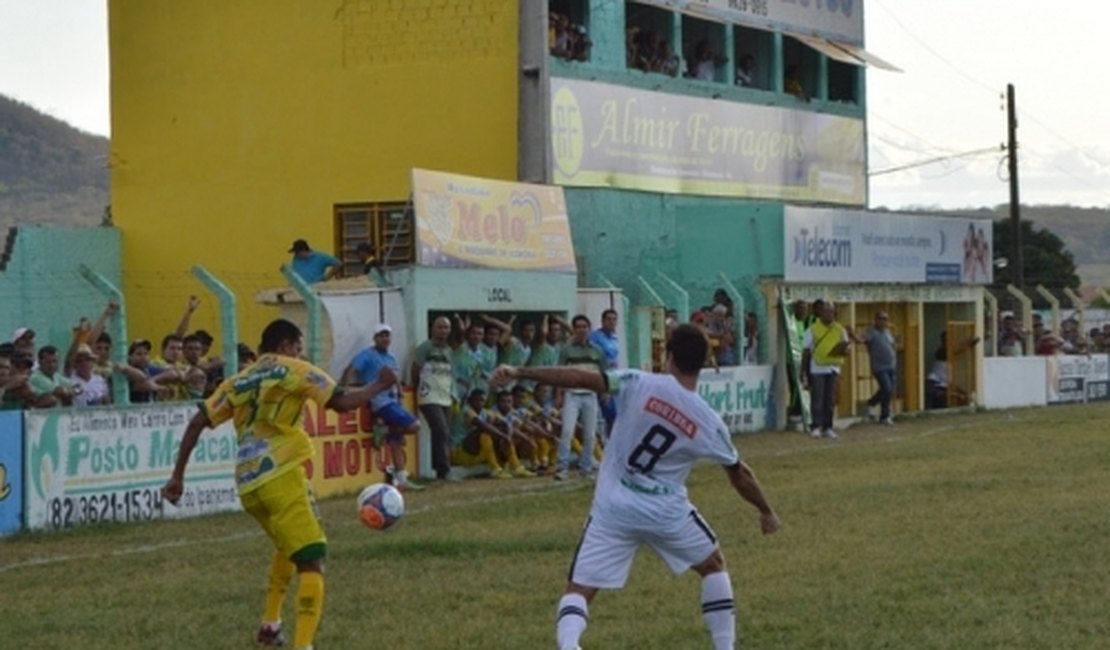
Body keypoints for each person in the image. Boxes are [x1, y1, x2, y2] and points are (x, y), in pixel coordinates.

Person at [490, 324, 780, 650]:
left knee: (579, 589)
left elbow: (580, 378)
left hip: (614, 506)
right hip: (665, 511)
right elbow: (740, 474)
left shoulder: (637, 382)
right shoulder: (708, 421)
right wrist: (766, 511)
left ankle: (569, 646)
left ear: (668, 356)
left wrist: (520, 371)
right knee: (713, 566)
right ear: (705, 362)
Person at [161, 318, 397, 650]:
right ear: (286, 346)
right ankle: (303, 645)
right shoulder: (294, 369)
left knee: (288, 547)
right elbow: (341, 402)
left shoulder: (237, 380)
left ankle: (270, 626)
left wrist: (177, 476)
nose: (300, 353)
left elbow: (199, 420)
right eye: (298, 347)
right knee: (312, 558)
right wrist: (378, 385)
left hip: (248, 484)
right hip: (281, 474)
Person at [343, 323, 422, 491]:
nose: (384, 339)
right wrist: (346, 387)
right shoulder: (368, 355)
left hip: (393, 400)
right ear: (375, 338)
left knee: (396, 443)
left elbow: (395, 379)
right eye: (381, 335)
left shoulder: (391, 357)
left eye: (387, 335)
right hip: (381, 402)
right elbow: (352, 368)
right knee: (415, 426)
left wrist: (399, 392)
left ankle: (401, 479)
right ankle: (384, 429)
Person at [554, 315, 605, 480]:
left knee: (590, 433)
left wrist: (605, 392)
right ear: (574, 329)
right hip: (572, 394)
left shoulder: (596, 350)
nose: (581, 330)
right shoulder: (567, 350)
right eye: (578, 327)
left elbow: (603, 373)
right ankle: (562, 468)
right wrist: (559, 394)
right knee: (567, 431)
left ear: (589, 329)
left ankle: (586, 467)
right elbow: (560, 374)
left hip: (590, 395)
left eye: (584, 326)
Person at [411, 316, 457, 481]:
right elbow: (415, 369)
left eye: (446, 327)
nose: (443, 331)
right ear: (432, 329)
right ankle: (443, 470)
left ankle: (442, 469)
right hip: (429, 395)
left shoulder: (449, 351)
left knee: (444, 433)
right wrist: (416, 391)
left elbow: (450, 374)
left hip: (445, 395)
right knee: (440, 430)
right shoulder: (425, 348)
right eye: (440, 327)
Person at [801, 301, 849, 439]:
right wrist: (804, 371)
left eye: (831, 312)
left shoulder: (840, 329)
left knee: (830, 399)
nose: (829, 314)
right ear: (821, 313)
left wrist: (844, 351)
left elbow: (845, 347)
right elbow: (806, 351)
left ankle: (828, 427)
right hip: (817, 367)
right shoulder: (813, 329)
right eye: (826, 311)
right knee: (817, 398)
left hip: (833, 367)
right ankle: (816, 426)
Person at [861, 311, 896, 425]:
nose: (883, 321)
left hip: (890, 365)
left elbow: (892, 345)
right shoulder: (872, 332)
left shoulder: (887, 332)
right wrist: (851, 334)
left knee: (889, 391)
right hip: (879, 366)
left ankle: (885, 416)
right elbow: (862, 340)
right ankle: (871, 403)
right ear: (876, 320)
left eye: (886, 319)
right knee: (887, 388)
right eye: (881, 319)